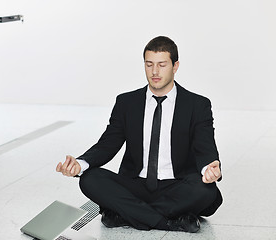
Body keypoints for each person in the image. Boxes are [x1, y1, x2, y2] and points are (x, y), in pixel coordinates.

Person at [56, 36, 222, 233]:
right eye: (149, 64)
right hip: (135, 184)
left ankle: (125, 214)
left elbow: (205, 147)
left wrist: (209, 168)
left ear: (175, 66)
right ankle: (169, 222)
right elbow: (108, 144)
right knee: (89, 179)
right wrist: (80, 164)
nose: (154, 72)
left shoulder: (197, 105)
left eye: (162, 65)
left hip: (177, 185)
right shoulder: (127, 102)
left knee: (205, 190)